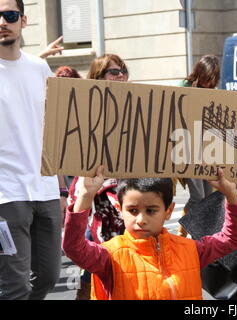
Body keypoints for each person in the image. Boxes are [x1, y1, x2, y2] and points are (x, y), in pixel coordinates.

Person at [62, 166, 237, 300]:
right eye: (133, 210)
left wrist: (231, 195)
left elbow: (231, 238)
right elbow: (74, 248)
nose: (141, 219)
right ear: (120, 209)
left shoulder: (190, 250)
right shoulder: (110, 256)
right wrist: (86, 196)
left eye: (151, 210)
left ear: (168, 211)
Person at [0, 0, 65, 300]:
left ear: (23, 21)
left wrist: (62, 189)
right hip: (6, 197)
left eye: (9, 15)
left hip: (46, 190)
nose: (2, 22)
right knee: (14, 286)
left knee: (49, 276)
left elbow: (54, 130)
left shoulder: (39, 67)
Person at [66, 53, 129, 300]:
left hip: (130, 199)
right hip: (101, 200)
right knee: (97, 260)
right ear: (98, 77)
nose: (121, 75)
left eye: (123, 70)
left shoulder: (136, 109)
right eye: (114, 72)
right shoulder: (87, 114)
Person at [177, 54, 221, 237]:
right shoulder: (184, 87)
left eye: (213, 78)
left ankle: (197, 234)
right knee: (198, 197)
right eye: (207, 77)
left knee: (208, 197)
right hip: (186, 149)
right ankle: (183, 232)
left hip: (206, 150)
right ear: (199, 72)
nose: (210, 82)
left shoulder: (213, 91)